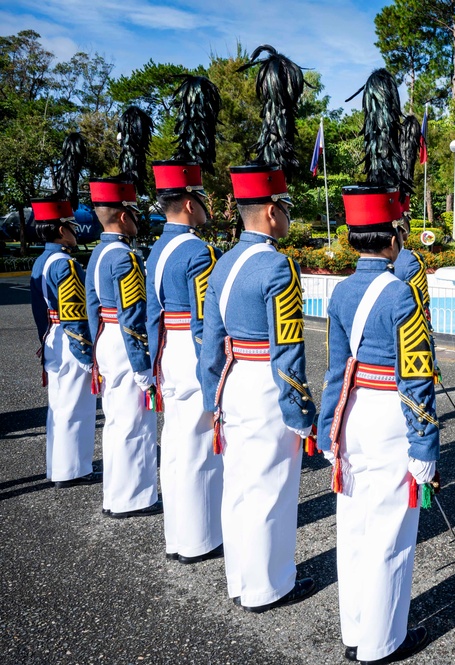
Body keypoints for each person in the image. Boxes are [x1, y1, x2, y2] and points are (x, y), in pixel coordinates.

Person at [318, 67, 438, 665]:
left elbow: (333, 371)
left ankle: (352, 630)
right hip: (391, 416)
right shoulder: (402, 293)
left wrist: (324, 431)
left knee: (353, 527)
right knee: (391, 532)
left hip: (351, 415)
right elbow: (418, 378)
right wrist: (426, 445)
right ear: (392, 233)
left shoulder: (340, 292)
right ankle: (382, 643)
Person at [199, 45, 317, 613]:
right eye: (285, 207)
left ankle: (241, 578)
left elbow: (206, 340)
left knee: (241, 483)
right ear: (271, 212)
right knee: (272, 488)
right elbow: (288, 352)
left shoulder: (221, 262)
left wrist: (209, 396)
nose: (288, 215)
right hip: (267, 384)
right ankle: (270, 586)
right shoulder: (278, 266)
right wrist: (303, 415)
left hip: (230, 382)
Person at [146, 76, 224, 565]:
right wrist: (211, 373)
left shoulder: (154, 249)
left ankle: (178, 535)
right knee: (197, 447)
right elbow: (204, 322)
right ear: (191, 203)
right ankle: (197, 539)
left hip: (167, 351)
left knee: (175, 444)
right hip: (191, 351)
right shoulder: (196, 251)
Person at [86, 176, 161, 518]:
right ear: (122, 215)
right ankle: (133, 498)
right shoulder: (125, 258)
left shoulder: (99, 253)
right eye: (133, 212)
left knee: (116, 421)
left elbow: (90, 306)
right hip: (123, 342)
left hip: (105, 338)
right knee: (134, 423)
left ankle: (115, 494)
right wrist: (143, 365)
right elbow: (133, 318)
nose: (137, 219)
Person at [29, 194, 100, 488]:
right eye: (71, 226)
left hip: (51, 337)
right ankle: (72, 470)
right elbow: (74, 314)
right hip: (69, 340)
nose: (75, 231)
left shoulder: (41, 261)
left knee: (59, 406)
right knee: (76, 408)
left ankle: (58, 466)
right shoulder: (65, 265)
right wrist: (86, 354)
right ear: (61, 229)